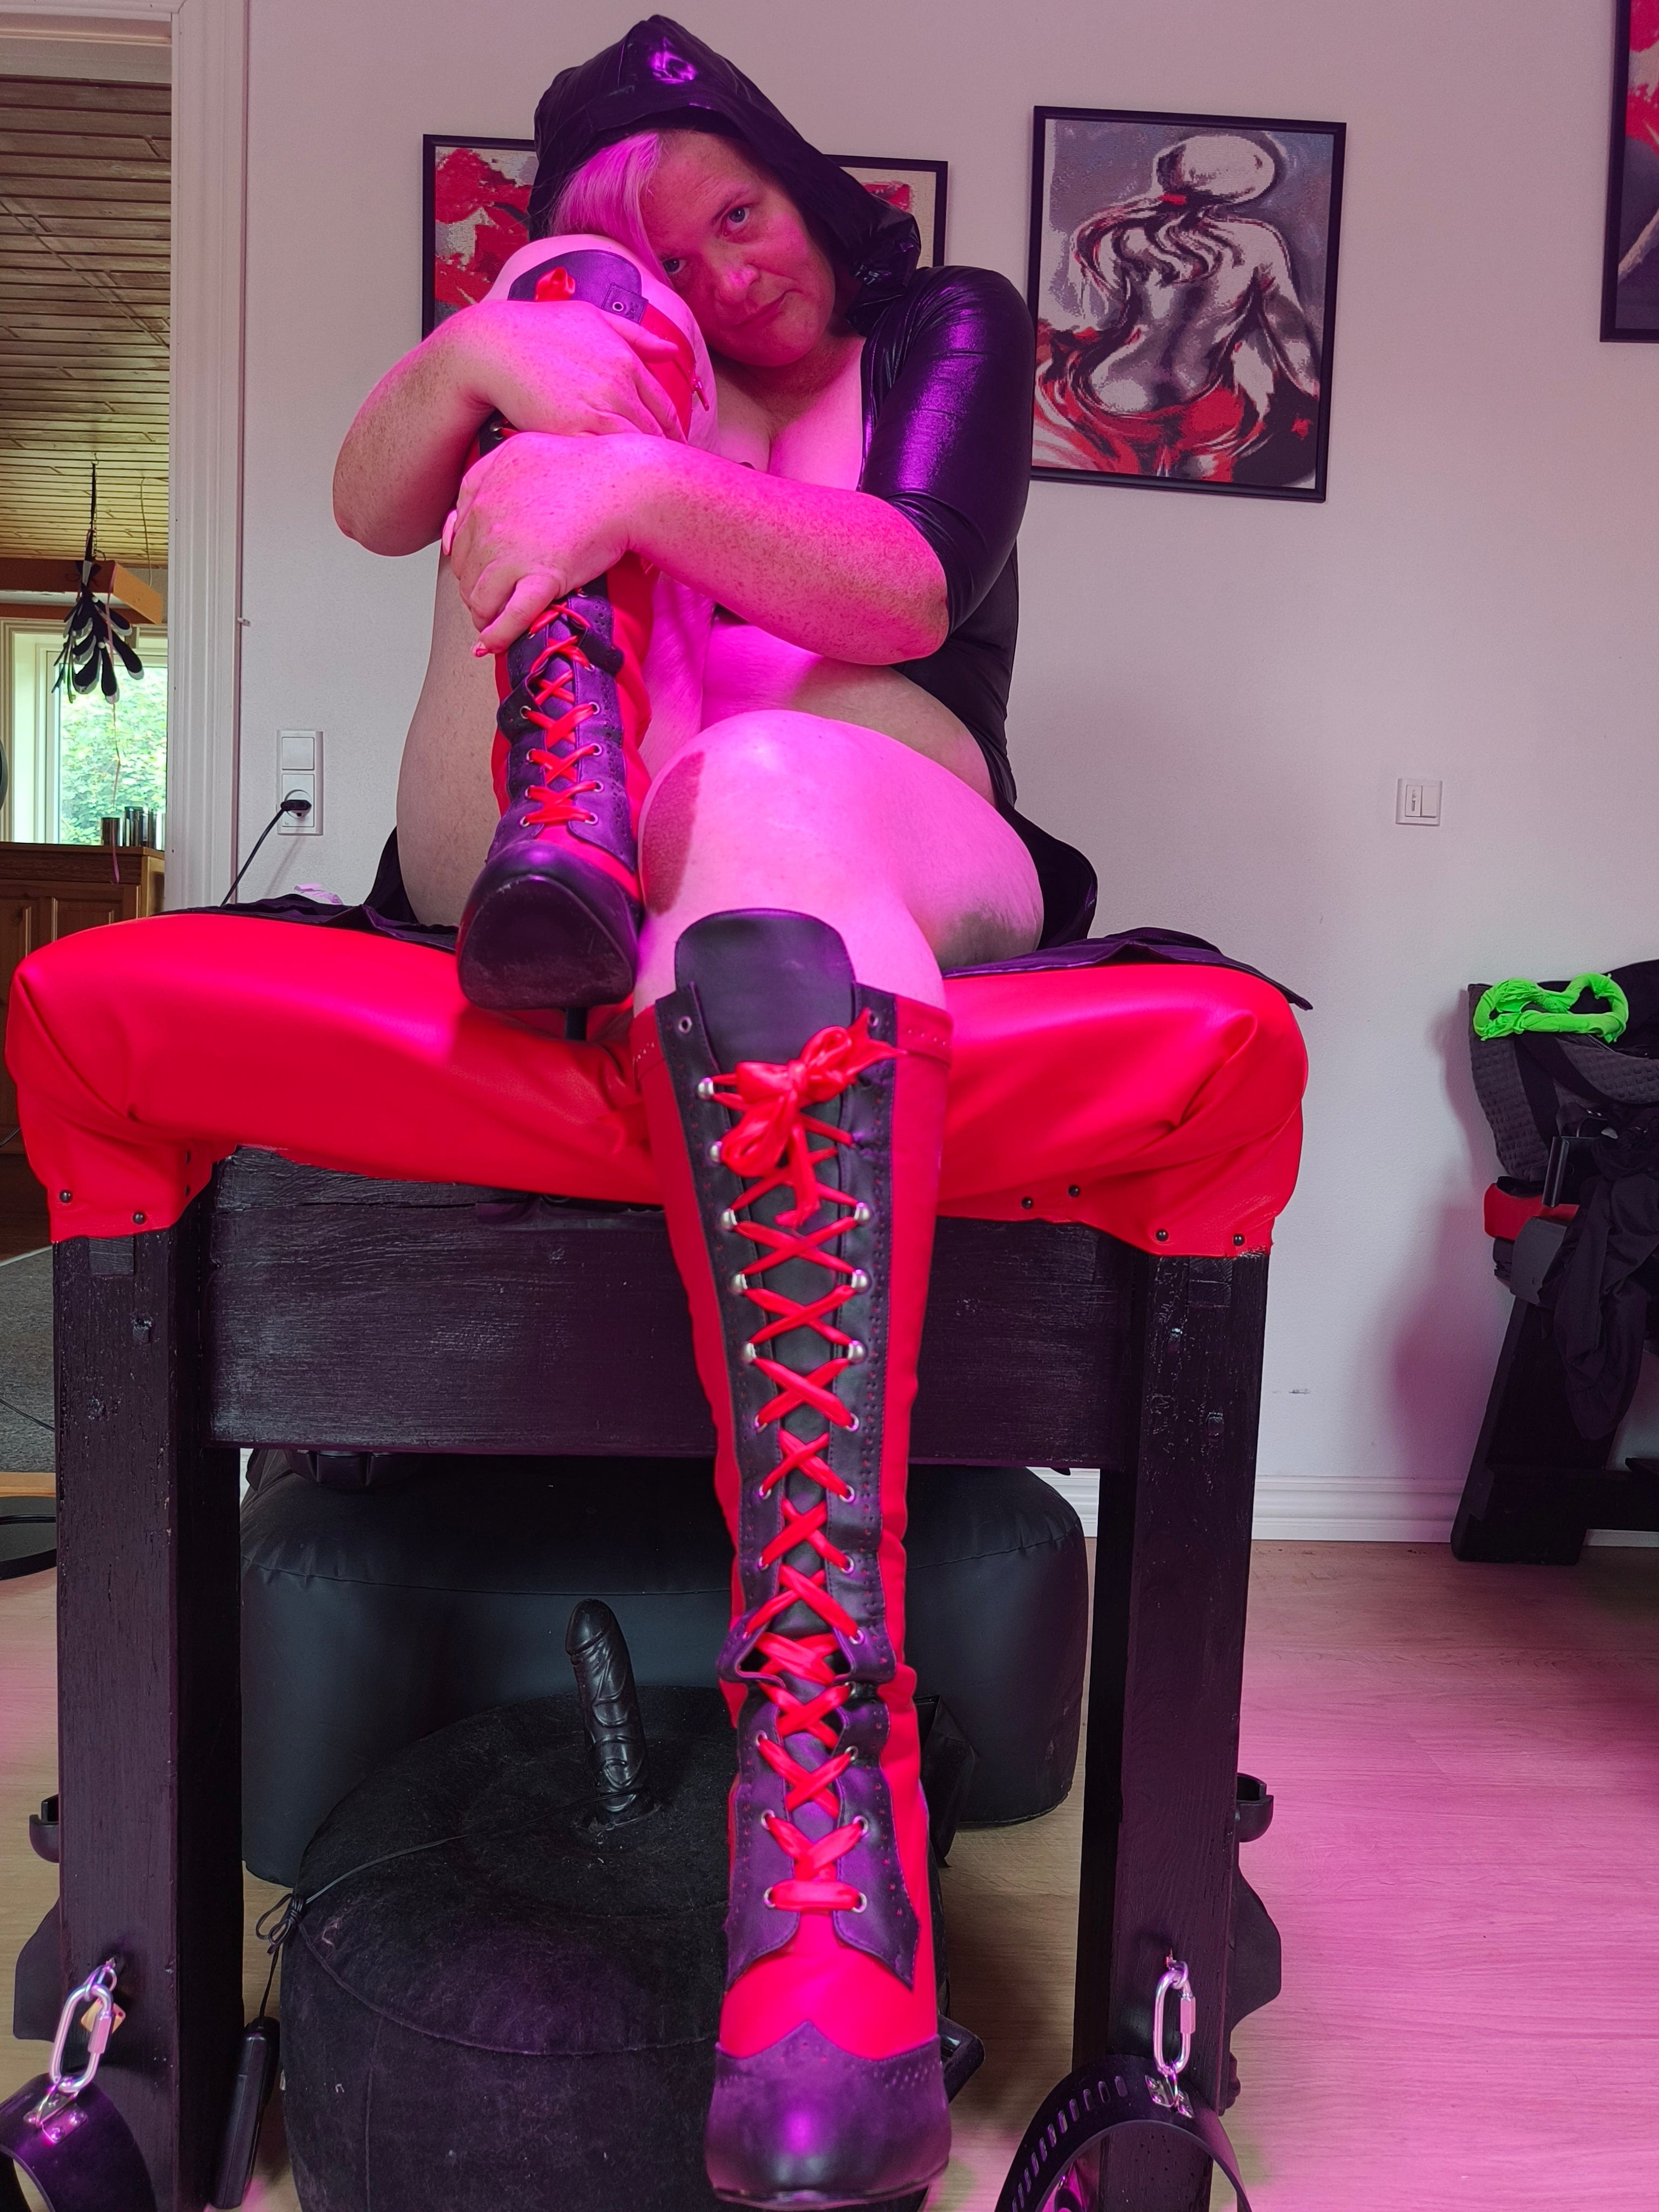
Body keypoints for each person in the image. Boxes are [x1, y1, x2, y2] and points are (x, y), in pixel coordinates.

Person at [332, 19, 1071, 2204]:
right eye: (664, 245)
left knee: (755, 769)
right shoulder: (600, 336)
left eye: (732, 208)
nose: (719, 267)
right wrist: (498, 344)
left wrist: (636, 489)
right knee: (552, 383)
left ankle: (823, 1760)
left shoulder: (945, 325)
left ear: (794, 175)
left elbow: (910, 586)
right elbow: (372, 504)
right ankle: (573, 837)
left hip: (873, 821)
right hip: (567, 857)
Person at [1035, 132, 1321, 484]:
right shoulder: (1258, 243)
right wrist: (1312, 391)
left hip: (1109, 386)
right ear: (1240, 189)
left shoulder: (1124, 236)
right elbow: (1289, 331)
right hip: (1197, 402)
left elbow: (1104, 318)